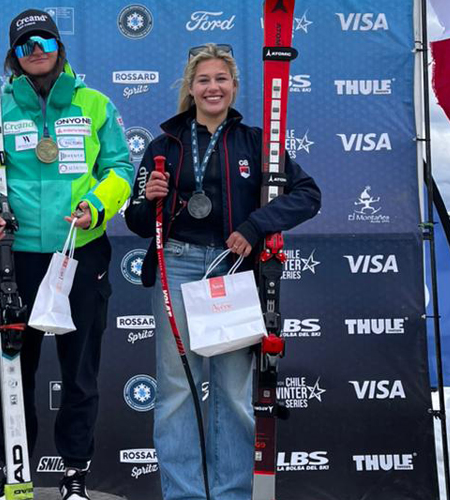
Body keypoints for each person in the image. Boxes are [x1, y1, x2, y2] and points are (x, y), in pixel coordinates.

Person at [124, 44, 321, 500]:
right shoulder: (163, 145)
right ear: (190, 89)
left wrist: (256, 225)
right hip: (177, 263)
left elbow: (308, 195)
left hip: (232, 269)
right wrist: (147, 198)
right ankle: (184, 494)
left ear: (233, 88)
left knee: (232, 392)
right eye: (204, 80)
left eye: (221, 79)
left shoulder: (255, 142)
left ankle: (233, 493)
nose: (213, 87)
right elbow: (136, 223)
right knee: (177, 389)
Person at [0, 9, 133, 500]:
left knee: (79, 374)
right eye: (26, 44)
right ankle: (17, 473)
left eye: (44, 42)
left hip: (81, 254)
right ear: (12, 55)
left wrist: (96, 205)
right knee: (14, 371)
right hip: (16, 259)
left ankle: (75, 475)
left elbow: (119, 168)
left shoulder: (95, 104)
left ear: (59, 48)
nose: (36, 51)